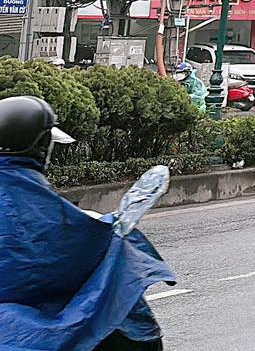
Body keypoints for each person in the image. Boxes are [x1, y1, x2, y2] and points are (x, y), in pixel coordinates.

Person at [0, 96, 175, 351]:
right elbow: (66, 249)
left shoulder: (28, 193)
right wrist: (112, 233)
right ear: (40, 146)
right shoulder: (33, 198)